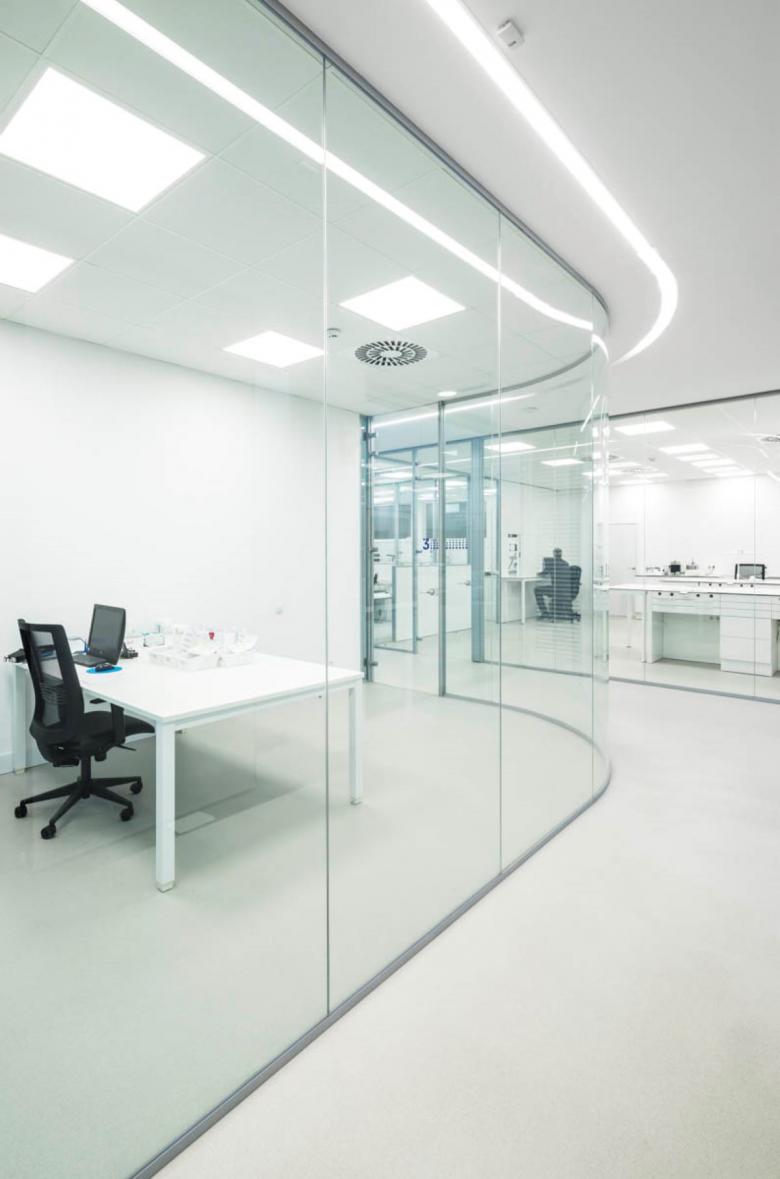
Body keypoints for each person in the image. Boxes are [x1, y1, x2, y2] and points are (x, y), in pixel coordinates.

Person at [534, 547, 569, 620]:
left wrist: (537, 573)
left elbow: (544, 573)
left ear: (554, 554)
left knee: (537, 590)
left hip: (556, 590)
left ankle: (544, 613)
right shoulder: (566, 564)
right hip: (565, 590)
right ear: (561, 554)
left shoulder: (552, 563)